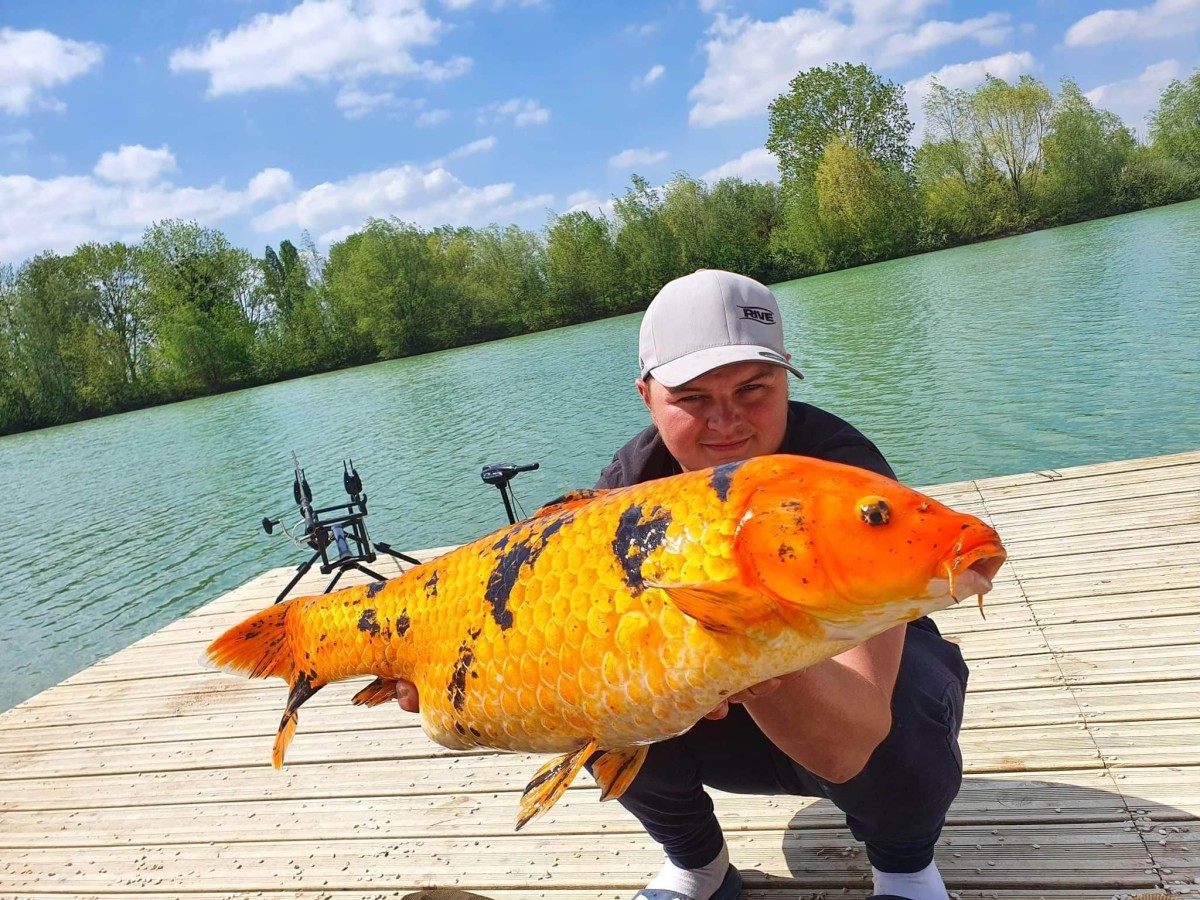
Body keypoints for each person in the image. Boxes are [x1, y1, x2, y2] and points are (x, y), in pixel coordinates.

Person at [395, 269, 968, 900]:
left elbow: (849, 744)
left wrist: (752, 654)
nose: (728, 423)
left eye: (754, 389)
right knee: (603, 688)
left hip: (838, 706)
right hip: (707, 722)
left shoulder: (836, 477)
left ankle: (906, 868)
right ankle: (698, 863)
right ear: (647, 395)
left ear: (786, 376)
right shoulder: (629, 485)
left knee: (912, 702)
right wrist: (455, 672)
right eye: (692, 399)